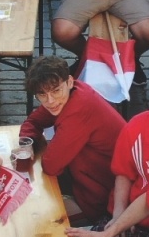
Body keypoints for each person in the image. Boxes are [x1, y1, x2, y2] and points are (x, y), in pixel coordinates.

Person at [19, 56, 125, 224]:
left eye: (55, 90)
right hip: (83, 176)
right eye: (42, 94)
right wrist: (28, 143)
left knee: (33, 217)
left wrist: (46, 147)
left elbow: (51, 165)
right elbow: (33, 121)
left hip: (103, 194)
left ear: (69, 82)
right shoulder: (71, 93)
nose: (50, 101)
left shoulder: (79, 109)